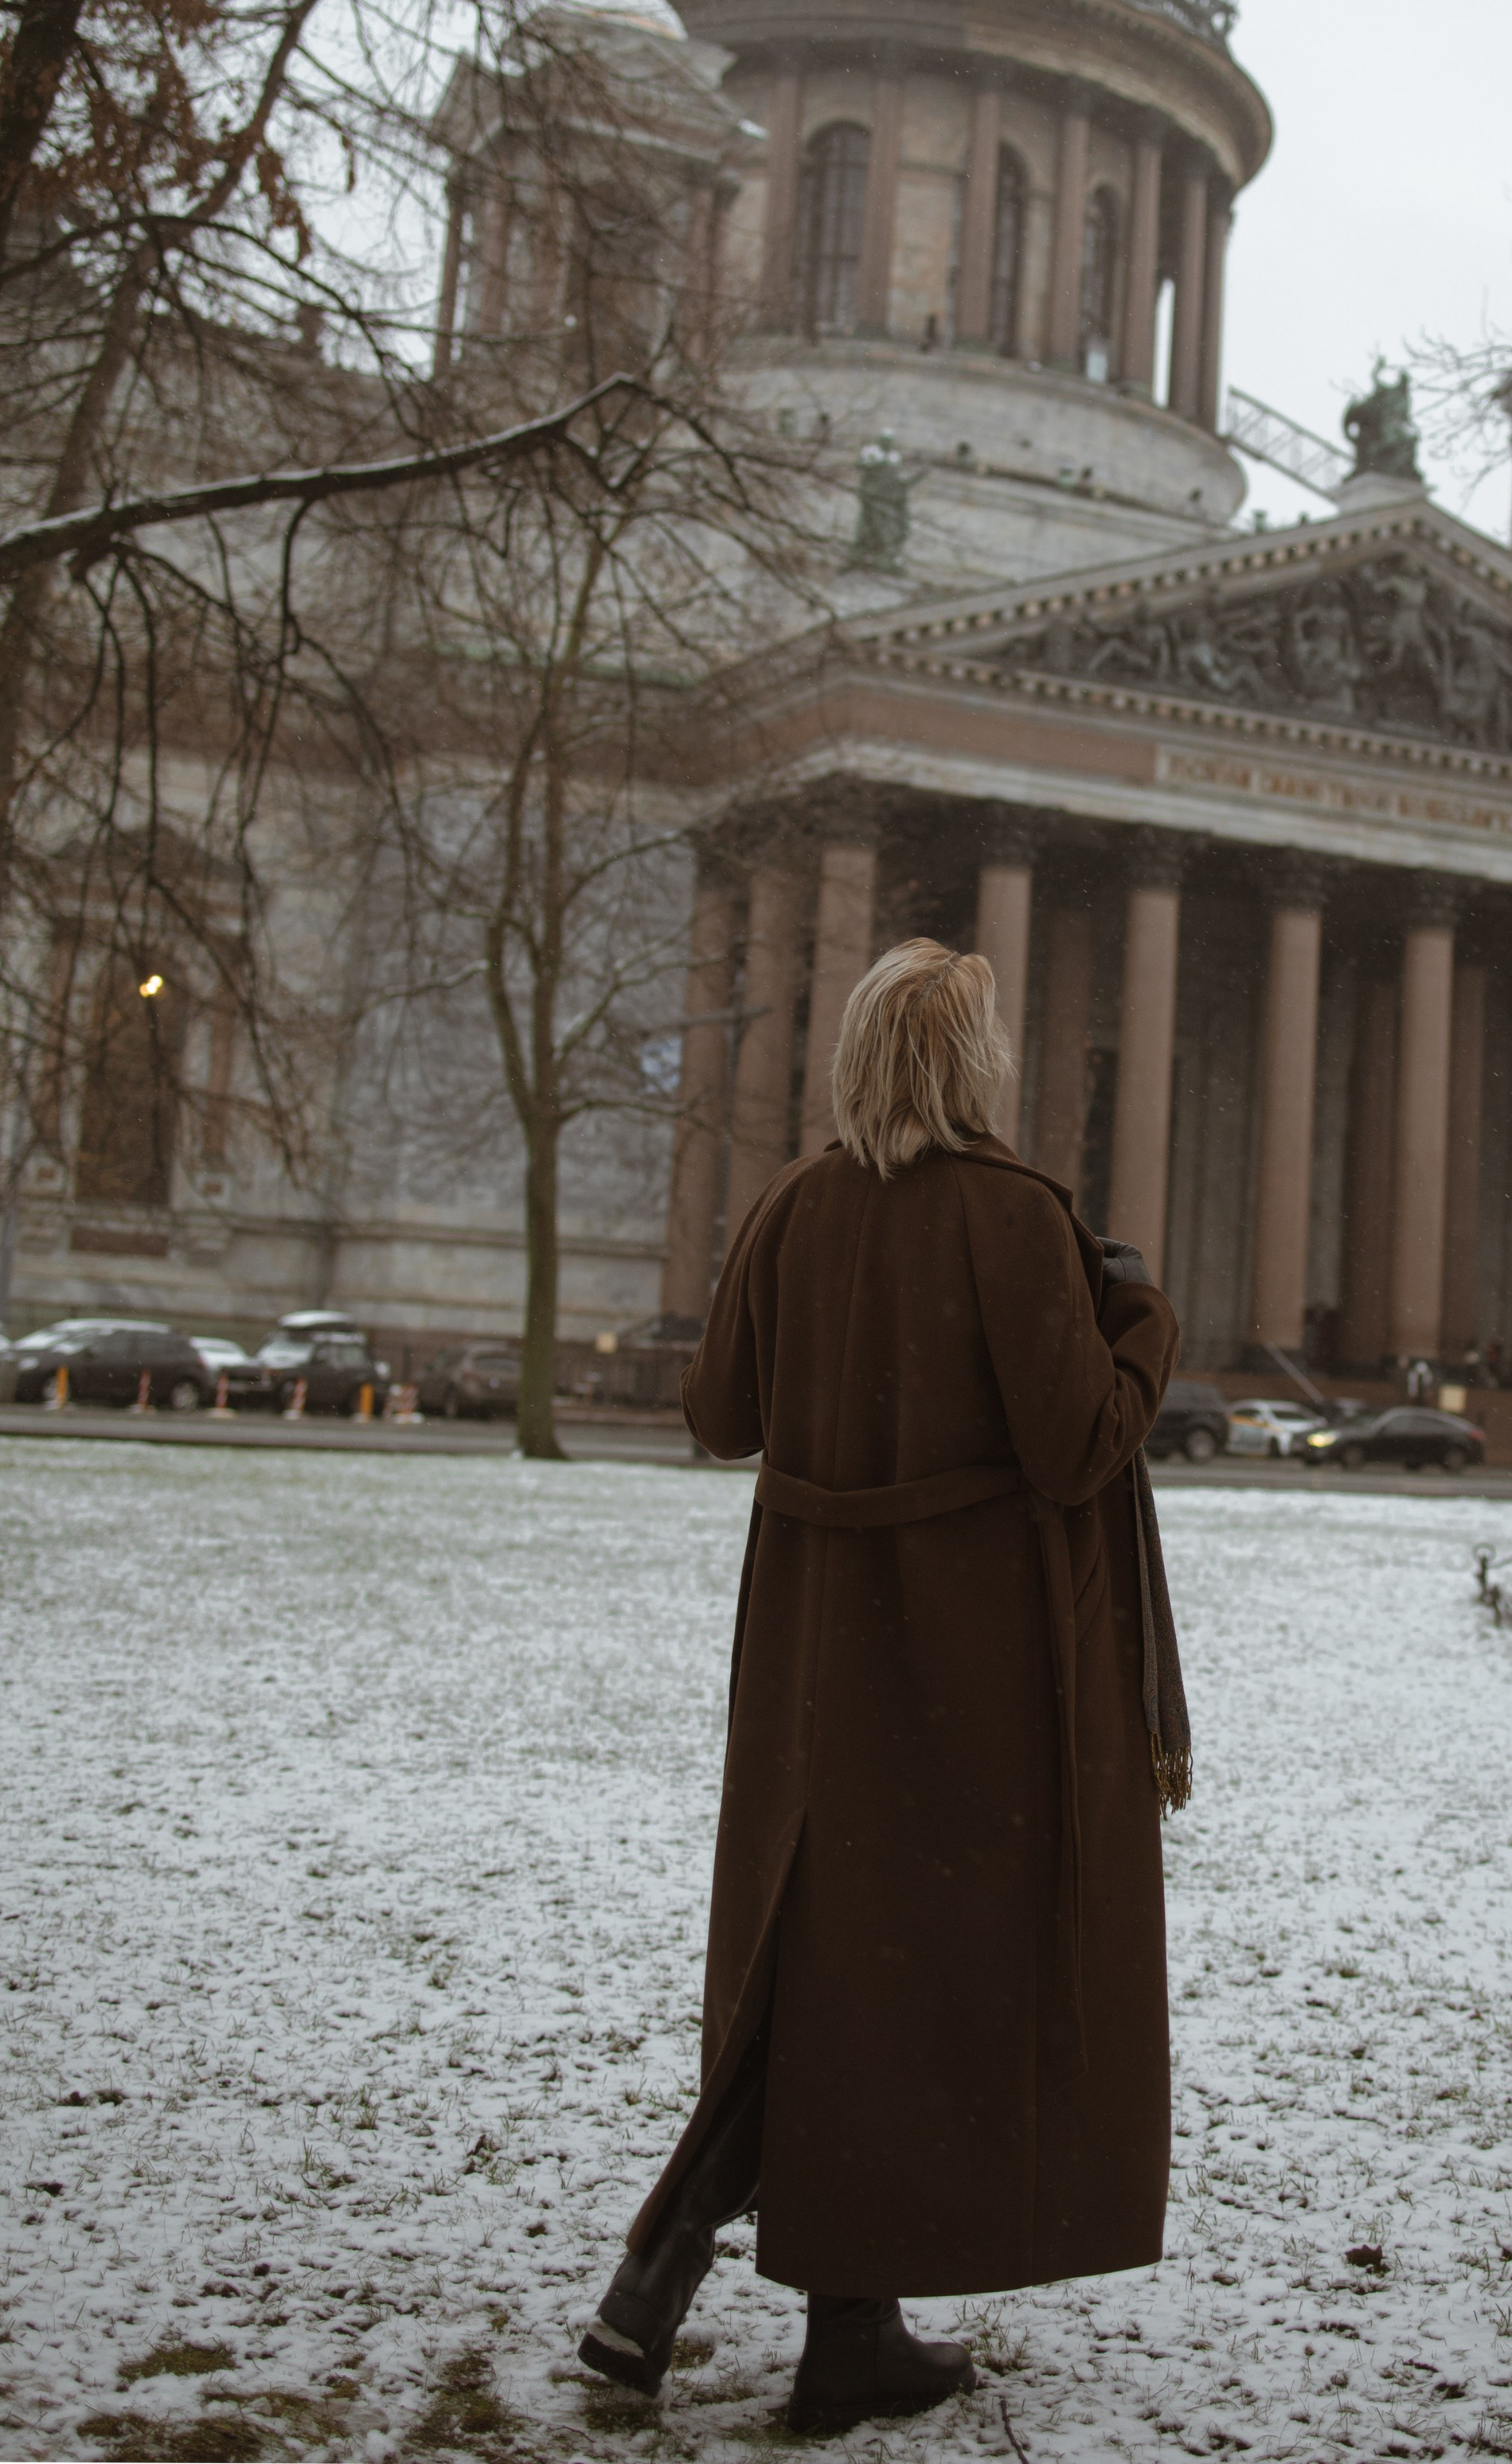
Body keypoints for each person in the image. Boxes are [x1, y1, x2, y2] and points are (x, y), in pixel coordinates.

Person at [578, 939, 1186, 2435]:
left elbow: (719, 1415)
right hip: (967, 1661)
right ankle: (682, 2264)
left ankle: (816, 2326)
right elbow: (1075, 1443)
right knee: (906, 1978)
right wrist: (1143, 1327)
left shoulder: (792, 1201)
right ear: (968, 1066)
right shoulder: (1015, 1212)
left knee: (828, 1964)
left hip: (809, 1648)